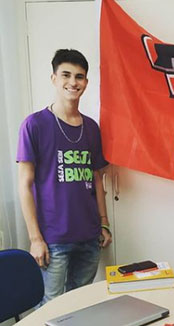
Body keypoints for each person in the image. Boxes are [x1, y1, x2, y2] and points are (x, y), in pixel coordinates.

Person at [17, 49, 112, 306]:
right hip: (53, 239)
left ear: (86, 82)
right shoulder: (34, 124)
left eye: (79, 77)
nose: (73, 82)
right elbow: (24, 185)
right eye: (66, 75)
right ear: (54, 78)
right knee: (50, 306)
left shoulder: (91, 127)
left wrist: (104, 223)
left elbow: (97, 178)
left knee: (79, 306)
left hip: (89, 236)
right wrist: (35, 239)